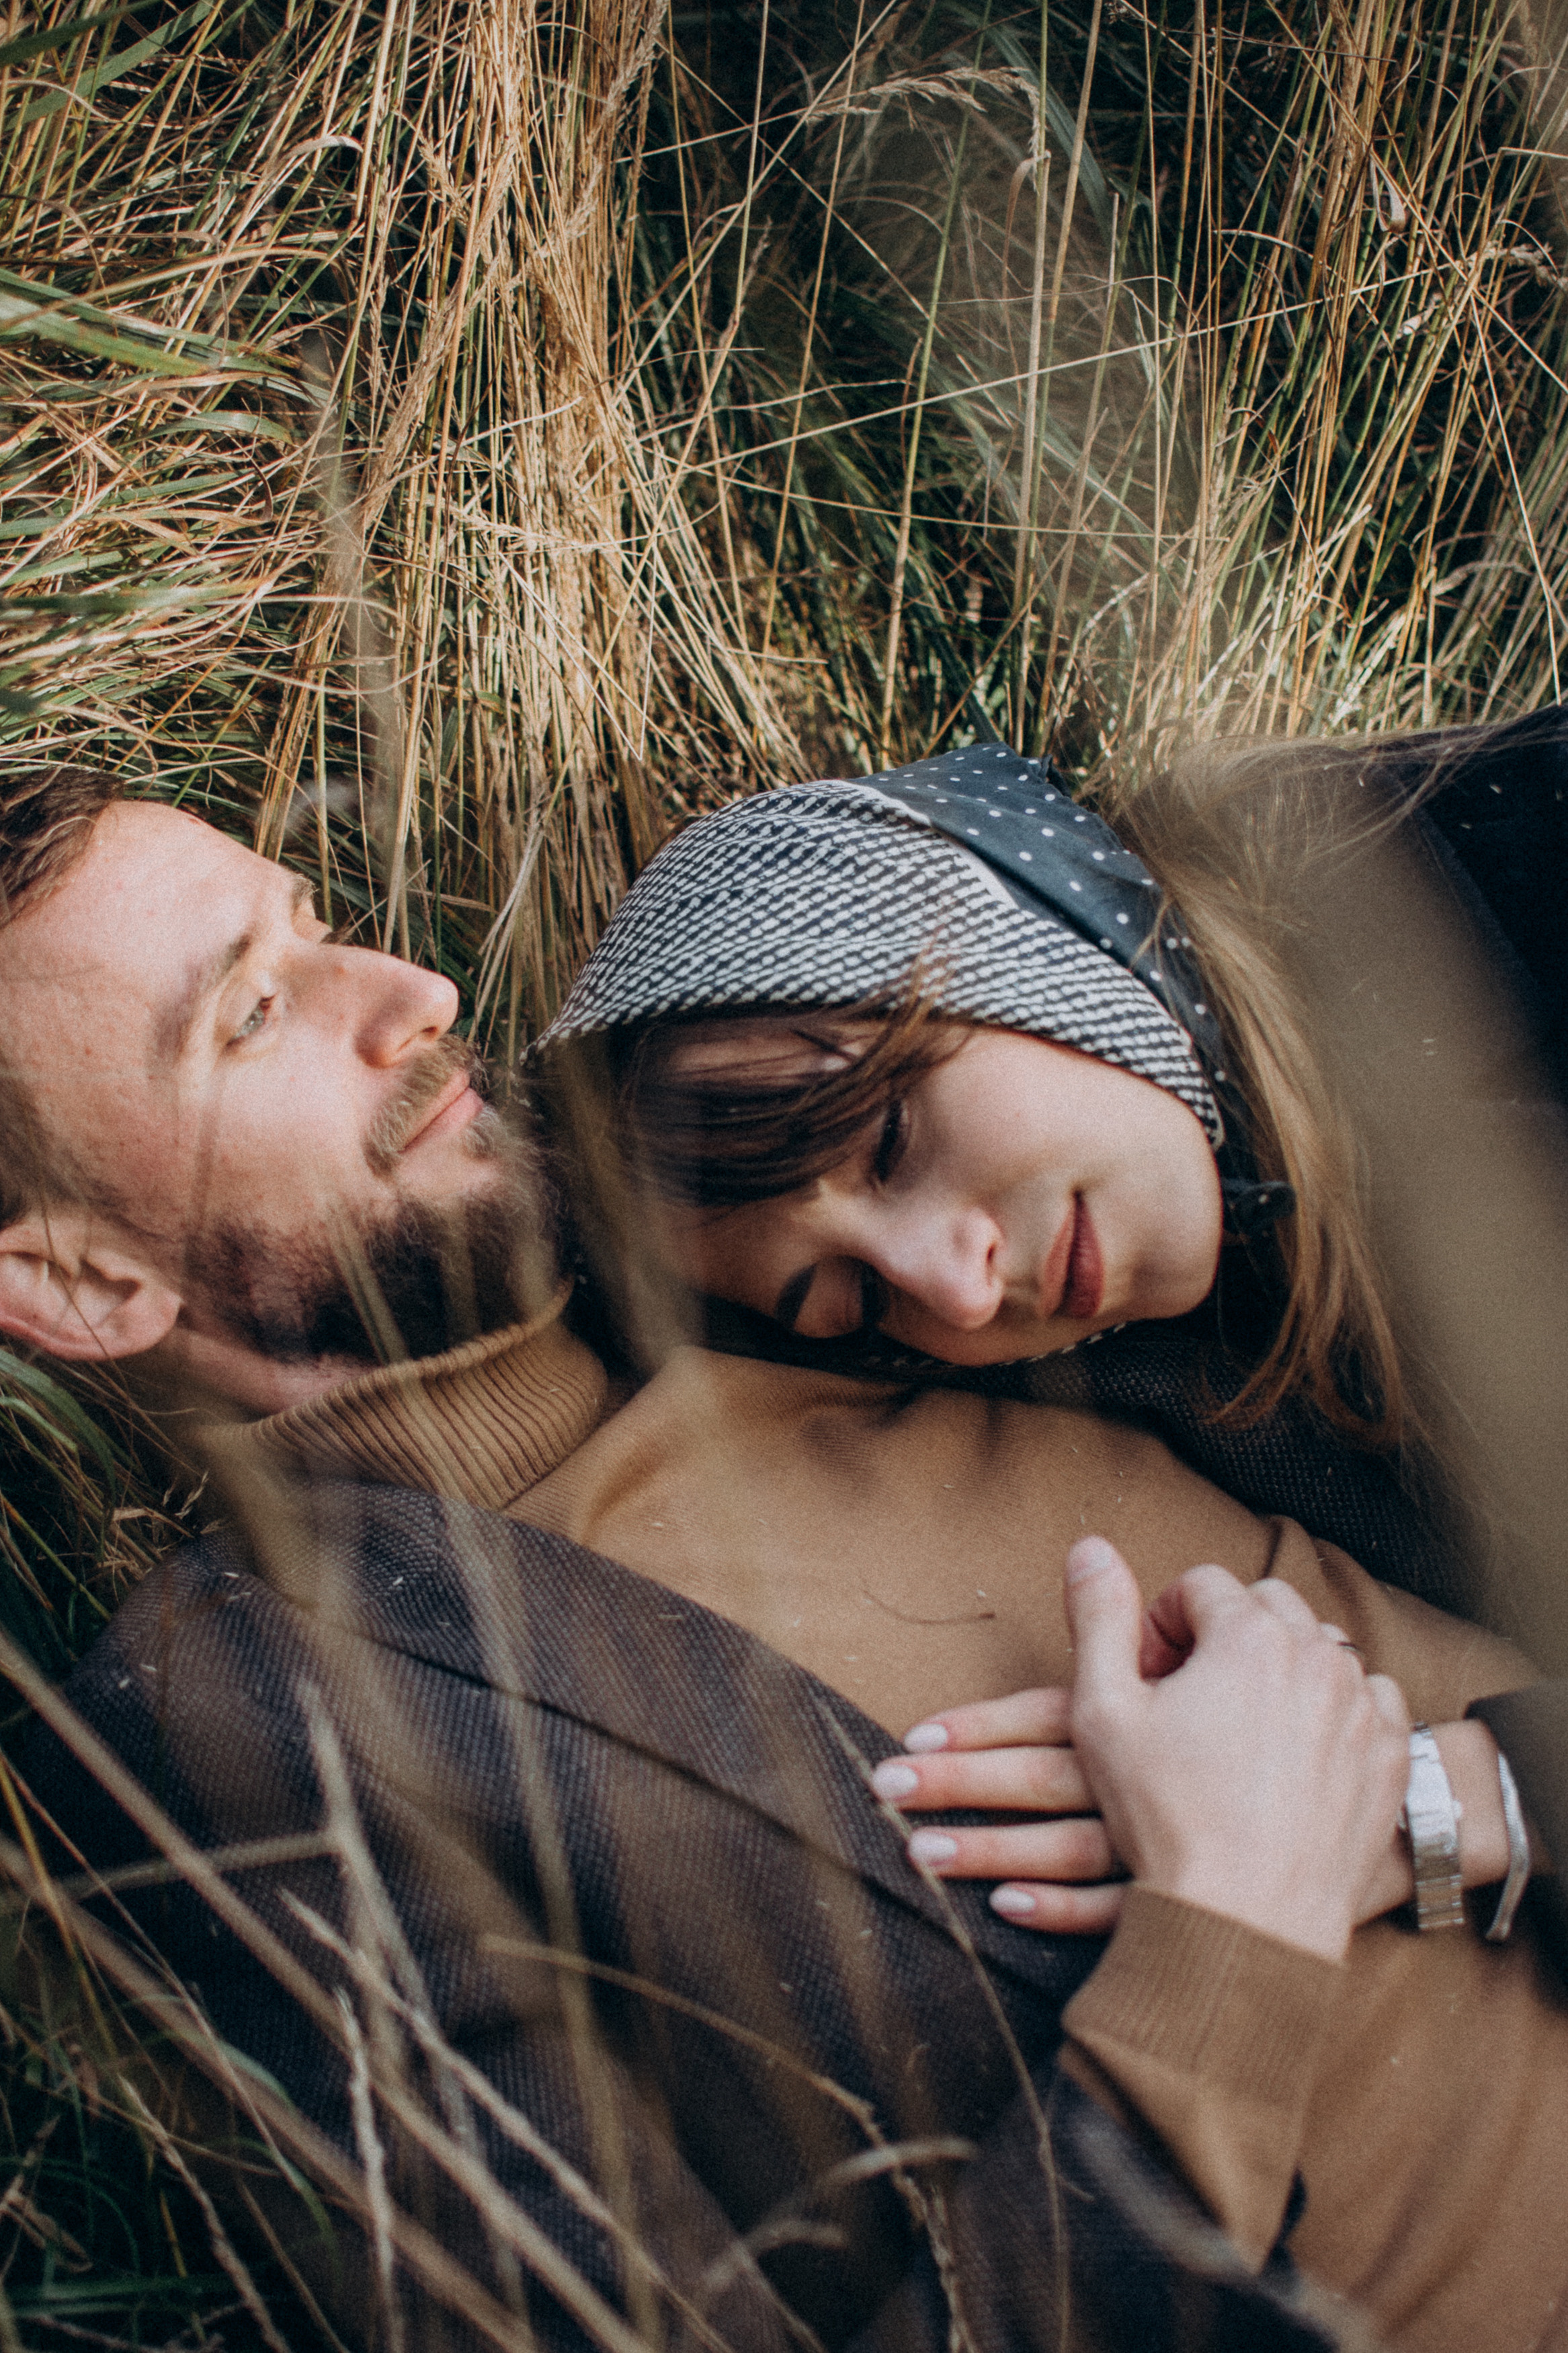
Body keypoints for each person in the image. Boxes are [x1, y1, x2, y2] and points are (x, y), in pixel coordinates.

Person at [0, 748, 1560, 2352]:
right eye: (248, 1014)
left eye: (315, 922)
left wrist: (1458, 1798)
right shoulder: (240, 1719)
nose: (413, 989)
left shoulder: (843, 1236)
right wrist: (1232, 1923)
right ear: (84, 1286)